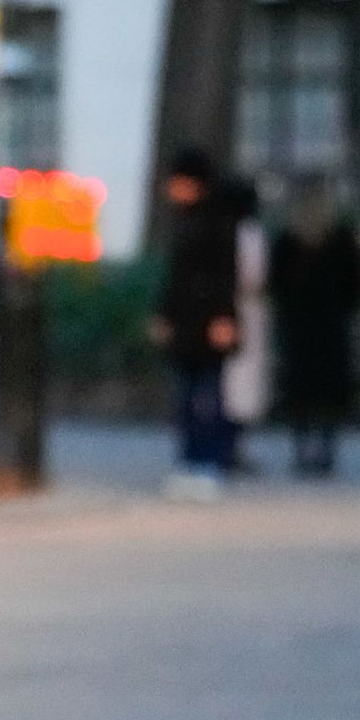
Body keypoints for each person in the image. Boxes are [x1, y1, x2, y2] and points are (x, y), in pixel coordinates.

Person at [148, 145, 238, 497]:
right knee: (186, 398)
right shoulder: (183, 220)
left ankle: (208, 463)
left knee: (208, 397)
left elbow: (224, 274)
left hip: (208, 319)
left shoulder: (217, 220)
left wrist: (225, 316)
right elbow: (174, 277)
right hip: (185, 322)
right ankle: (189, 462)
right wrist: (164, 315)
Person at [268, 176, 360, 476]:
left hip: (302, 324)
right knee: (327, 390)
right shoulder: (339, 239)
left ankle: (304, 449)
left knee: (303, 390)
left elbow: (276, 284)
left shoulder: (289, 240)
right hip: (329, 323)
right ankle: (324, 449)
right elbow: (356, 285)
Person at [218, 177, 271, 471]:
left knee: (233, 382)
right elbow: (256, 277)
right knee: (240, 384)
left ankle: (228, 447)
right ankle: (232, 447)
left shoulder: (227, 231)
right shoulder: (250, 234)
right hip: (246, 310)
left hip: (239, 310)